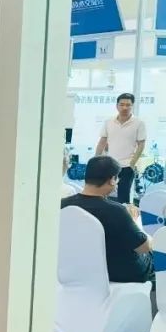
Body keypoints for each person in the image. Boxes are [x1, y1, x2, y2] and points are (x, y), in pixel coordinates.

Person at [62, 156, 153, 285]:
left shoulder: (62, 205)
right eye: (117, 178)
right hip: (120, 273)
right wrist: (132, 221)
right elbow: (144, 248)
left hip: (79, 271)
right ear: (111, 180)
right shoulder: (116, 211)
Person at [96, 93, 146, 204]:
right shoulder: (109, 122)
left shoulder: (139, 123)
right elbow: (102, 142)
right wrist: (95, 161)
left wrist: (132, 163)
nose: (125, 107)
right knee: (103, 194)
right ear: (117, 106)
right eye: (122, 104)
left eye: (128, 105)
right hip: (109, 165)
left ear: (132, 106)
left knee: (123, 197)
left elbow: (141, 144)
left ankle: (122, 215)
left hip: (127, 166)